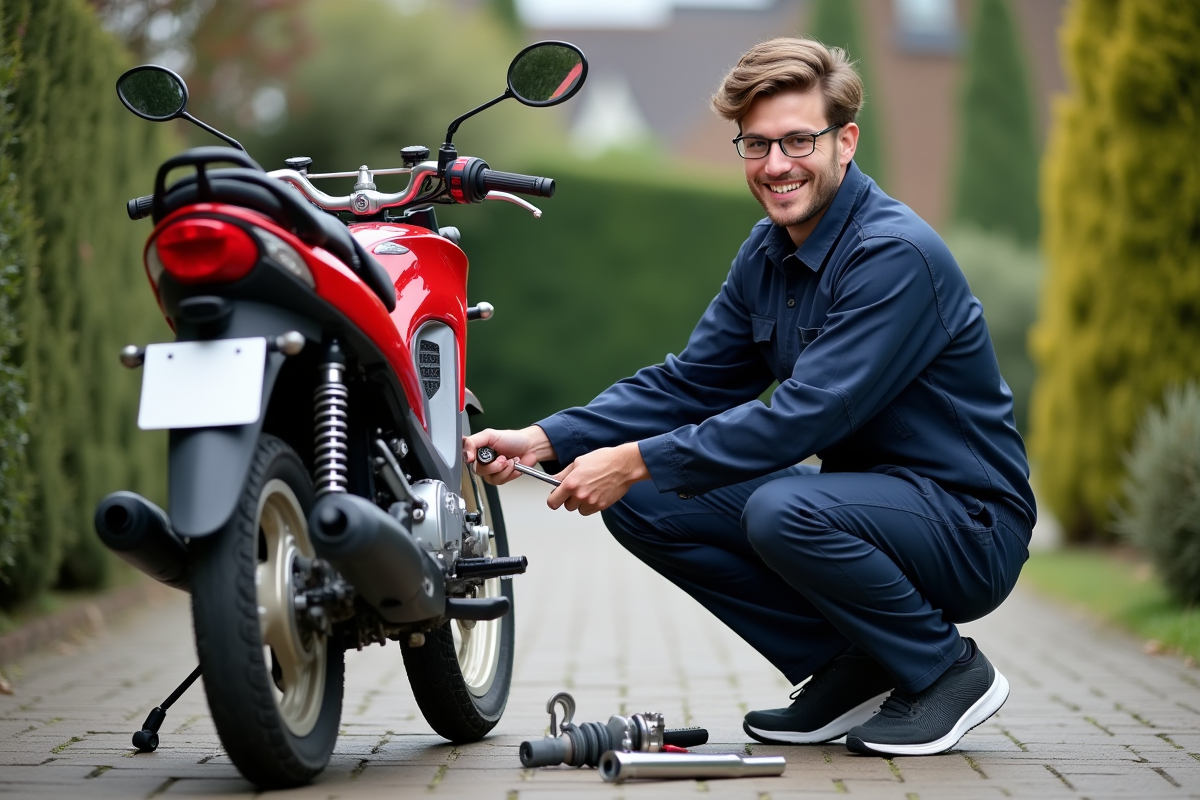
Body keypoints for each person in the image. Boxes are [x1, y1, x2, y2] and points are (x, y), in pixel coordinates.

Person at [464, 37, 1034, 757]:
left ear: (845, 141)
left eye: (798, 139)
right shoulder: (768, 253)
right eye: (756, 144)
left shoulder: (894, 256)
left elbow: (803, 418)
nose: (775, 165)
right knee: (645, 498)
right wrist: (548, 438)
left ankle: (948, 673)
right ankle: (856, 662)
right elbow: (690, 383)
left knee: (775, 508)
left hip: (970, 526)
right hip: (875, 503)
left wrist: (634, 457)